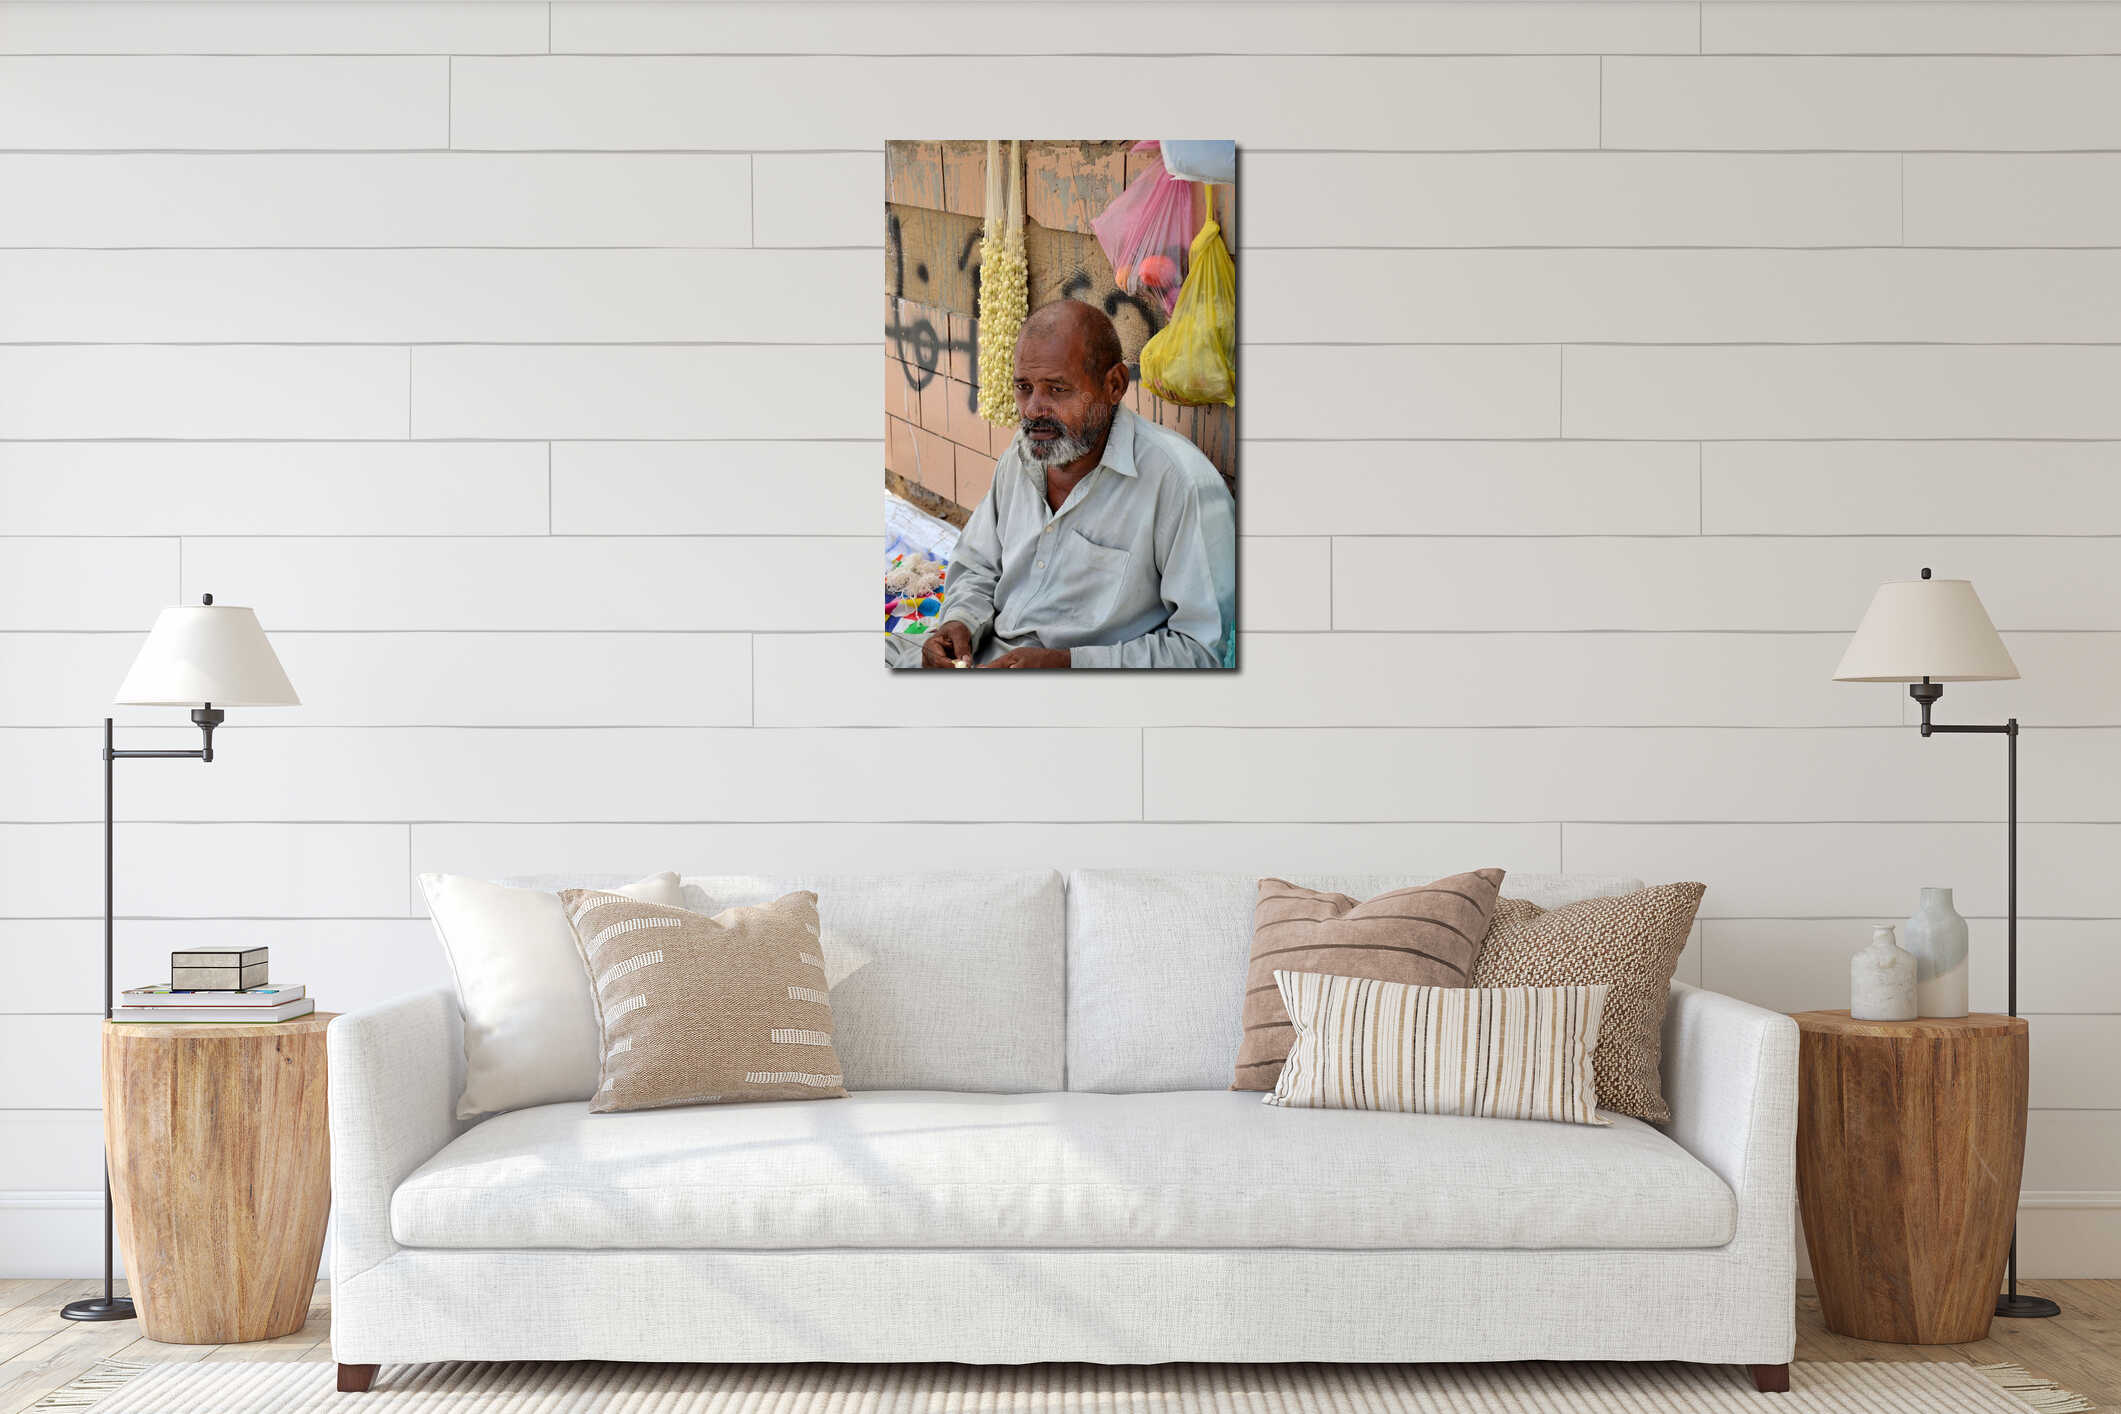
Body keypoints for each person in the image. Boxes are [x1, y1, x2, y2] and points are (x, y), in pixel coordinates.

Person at [901, 300, 1235, 670]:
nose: (1032, 409)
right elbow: (978, 566)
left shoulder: (1179, 484)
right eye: (1024, 388)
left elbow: (1202, 651)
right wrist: (958, 623)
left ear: (1114, 385)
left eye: (1056, 390)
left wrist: (1068, 664)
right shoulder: (1023, 454)